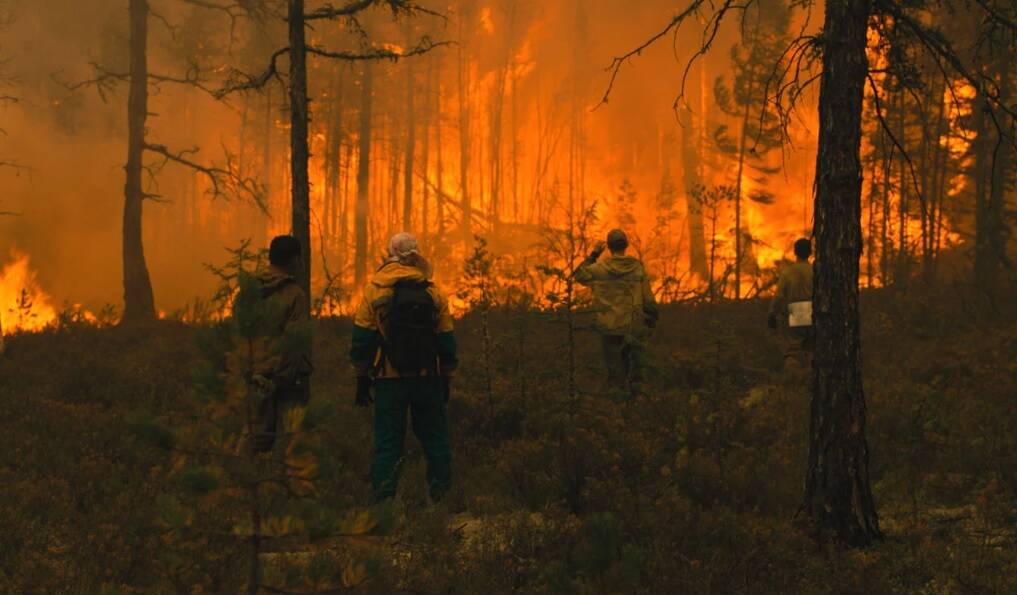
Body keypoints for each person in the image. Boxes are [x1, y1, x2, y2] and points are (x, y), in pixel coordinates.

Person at [350, 232, 458, 502]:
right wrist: (446, 376)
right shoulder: (432, 292)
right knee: (435, 440)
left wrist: (361, 377)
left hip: (388, 379)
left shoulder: (374, 290)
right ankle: (440, 499)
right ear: (416, 255)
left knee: (388, 443)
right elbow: (446, 340)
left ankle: (384, 503)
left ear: (390, 254)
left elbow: (362, 340)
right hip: (426, 378)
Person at [575, 229, 658, 398]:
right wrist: (651, 318)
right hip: (633, 325)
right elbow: (648, 297)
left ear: (609, 247)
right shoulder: (637, 268)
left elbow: (579, 275)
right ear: (626, 246)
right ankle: (634, 405)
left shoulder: (599, 269)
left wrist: (594, 254)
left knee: (615, 370)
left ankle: (616, 405)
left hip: (610, 327)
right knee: (635, 369)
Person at [250, 235, 313, 453]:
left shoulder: (250, 292)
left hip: (255, 375)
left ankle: (250, 482)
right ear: (294, 260)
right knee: (292, 444)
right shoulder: (295, 295)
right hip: (288, 380)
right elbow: (295, 342)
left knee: (255, 440)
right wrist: (283, 379)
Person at [768, 237, 814, 366]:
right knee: (812, 348)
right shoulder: (815, 271)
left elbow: (779, 296)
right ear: (810, 253)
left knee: (793, 350)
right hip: (814, 312)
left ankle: (793, 380)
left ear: (795, 252)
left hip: (795, 312)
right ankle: (810, 378)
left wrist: (772, 313)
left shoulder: (788, 273)